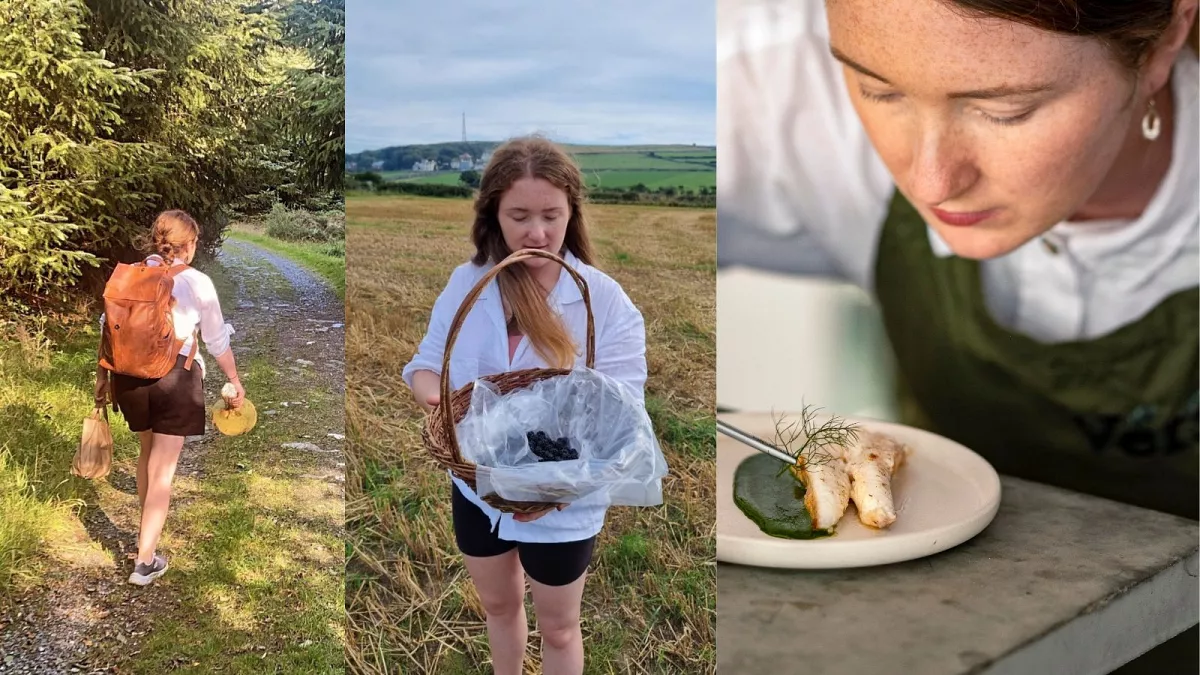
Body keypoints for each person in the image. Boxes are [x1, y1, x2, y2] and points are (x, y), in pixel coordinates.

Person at [718, 0, 1198, 671]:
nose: (931, 178)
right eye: (877, 88)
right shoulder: (774, 80)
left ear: (1166, 37)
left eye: (1006, 110)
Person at [402, 136, 648, 675]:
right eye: (519, 216)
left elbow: (626, 407)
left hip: (563, 494)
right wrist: (443, 403)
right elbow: (424, 365)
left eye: (550, 216)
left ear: (571, 214)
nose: (536, 233)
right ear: (493, 214)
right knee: (497, 605)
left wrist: (566, 478)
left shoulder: (603, 300)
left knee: (559, 628)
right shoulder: (469, 284)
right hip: (477, 482)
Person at [93, 210, 246, 586]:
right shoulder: (197, 282)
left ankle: (143, 541)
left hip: (128, 379)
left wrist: (102, 377)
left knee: (147, 455)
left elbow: (106, 327)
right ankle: (145, 561)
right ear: (190, 245)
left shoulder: (130, 275)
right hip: (173, 378)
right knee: (163, 473)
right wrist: (234, 379)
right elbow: (216, 340)